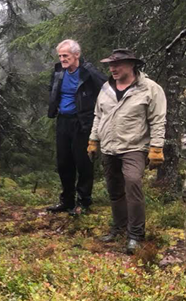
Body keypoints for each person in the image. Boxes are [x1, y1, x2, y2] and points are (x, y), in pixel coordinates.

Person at [87, 49, 166, 253]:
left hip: (135, 147)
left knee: (132, 184)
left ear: (132, 65)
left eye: (117, 64)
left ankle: (135, 235)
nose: (112, 68)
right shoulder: (106, 88)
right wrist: (93, 140)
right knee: (114, 190)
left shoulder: (150, 89)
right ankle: (119, 228)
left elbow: (158, 120)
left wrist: (156, 148)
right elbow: (98, 115)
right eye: (110, 65)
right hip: (109, 147)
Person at [47, 39, 107, 215]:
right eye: (60, 55)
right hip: (63, 120)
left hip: (82, 121)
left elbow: (105, 87)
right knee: (64, 162)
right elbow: (53, 88)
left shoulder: (88, 72)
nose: (62, 59)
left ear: (76, 55)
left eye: (65, 55)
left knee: (83, 162)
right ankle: (66, 201)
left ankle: (83, 202)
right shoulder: (59, 71)